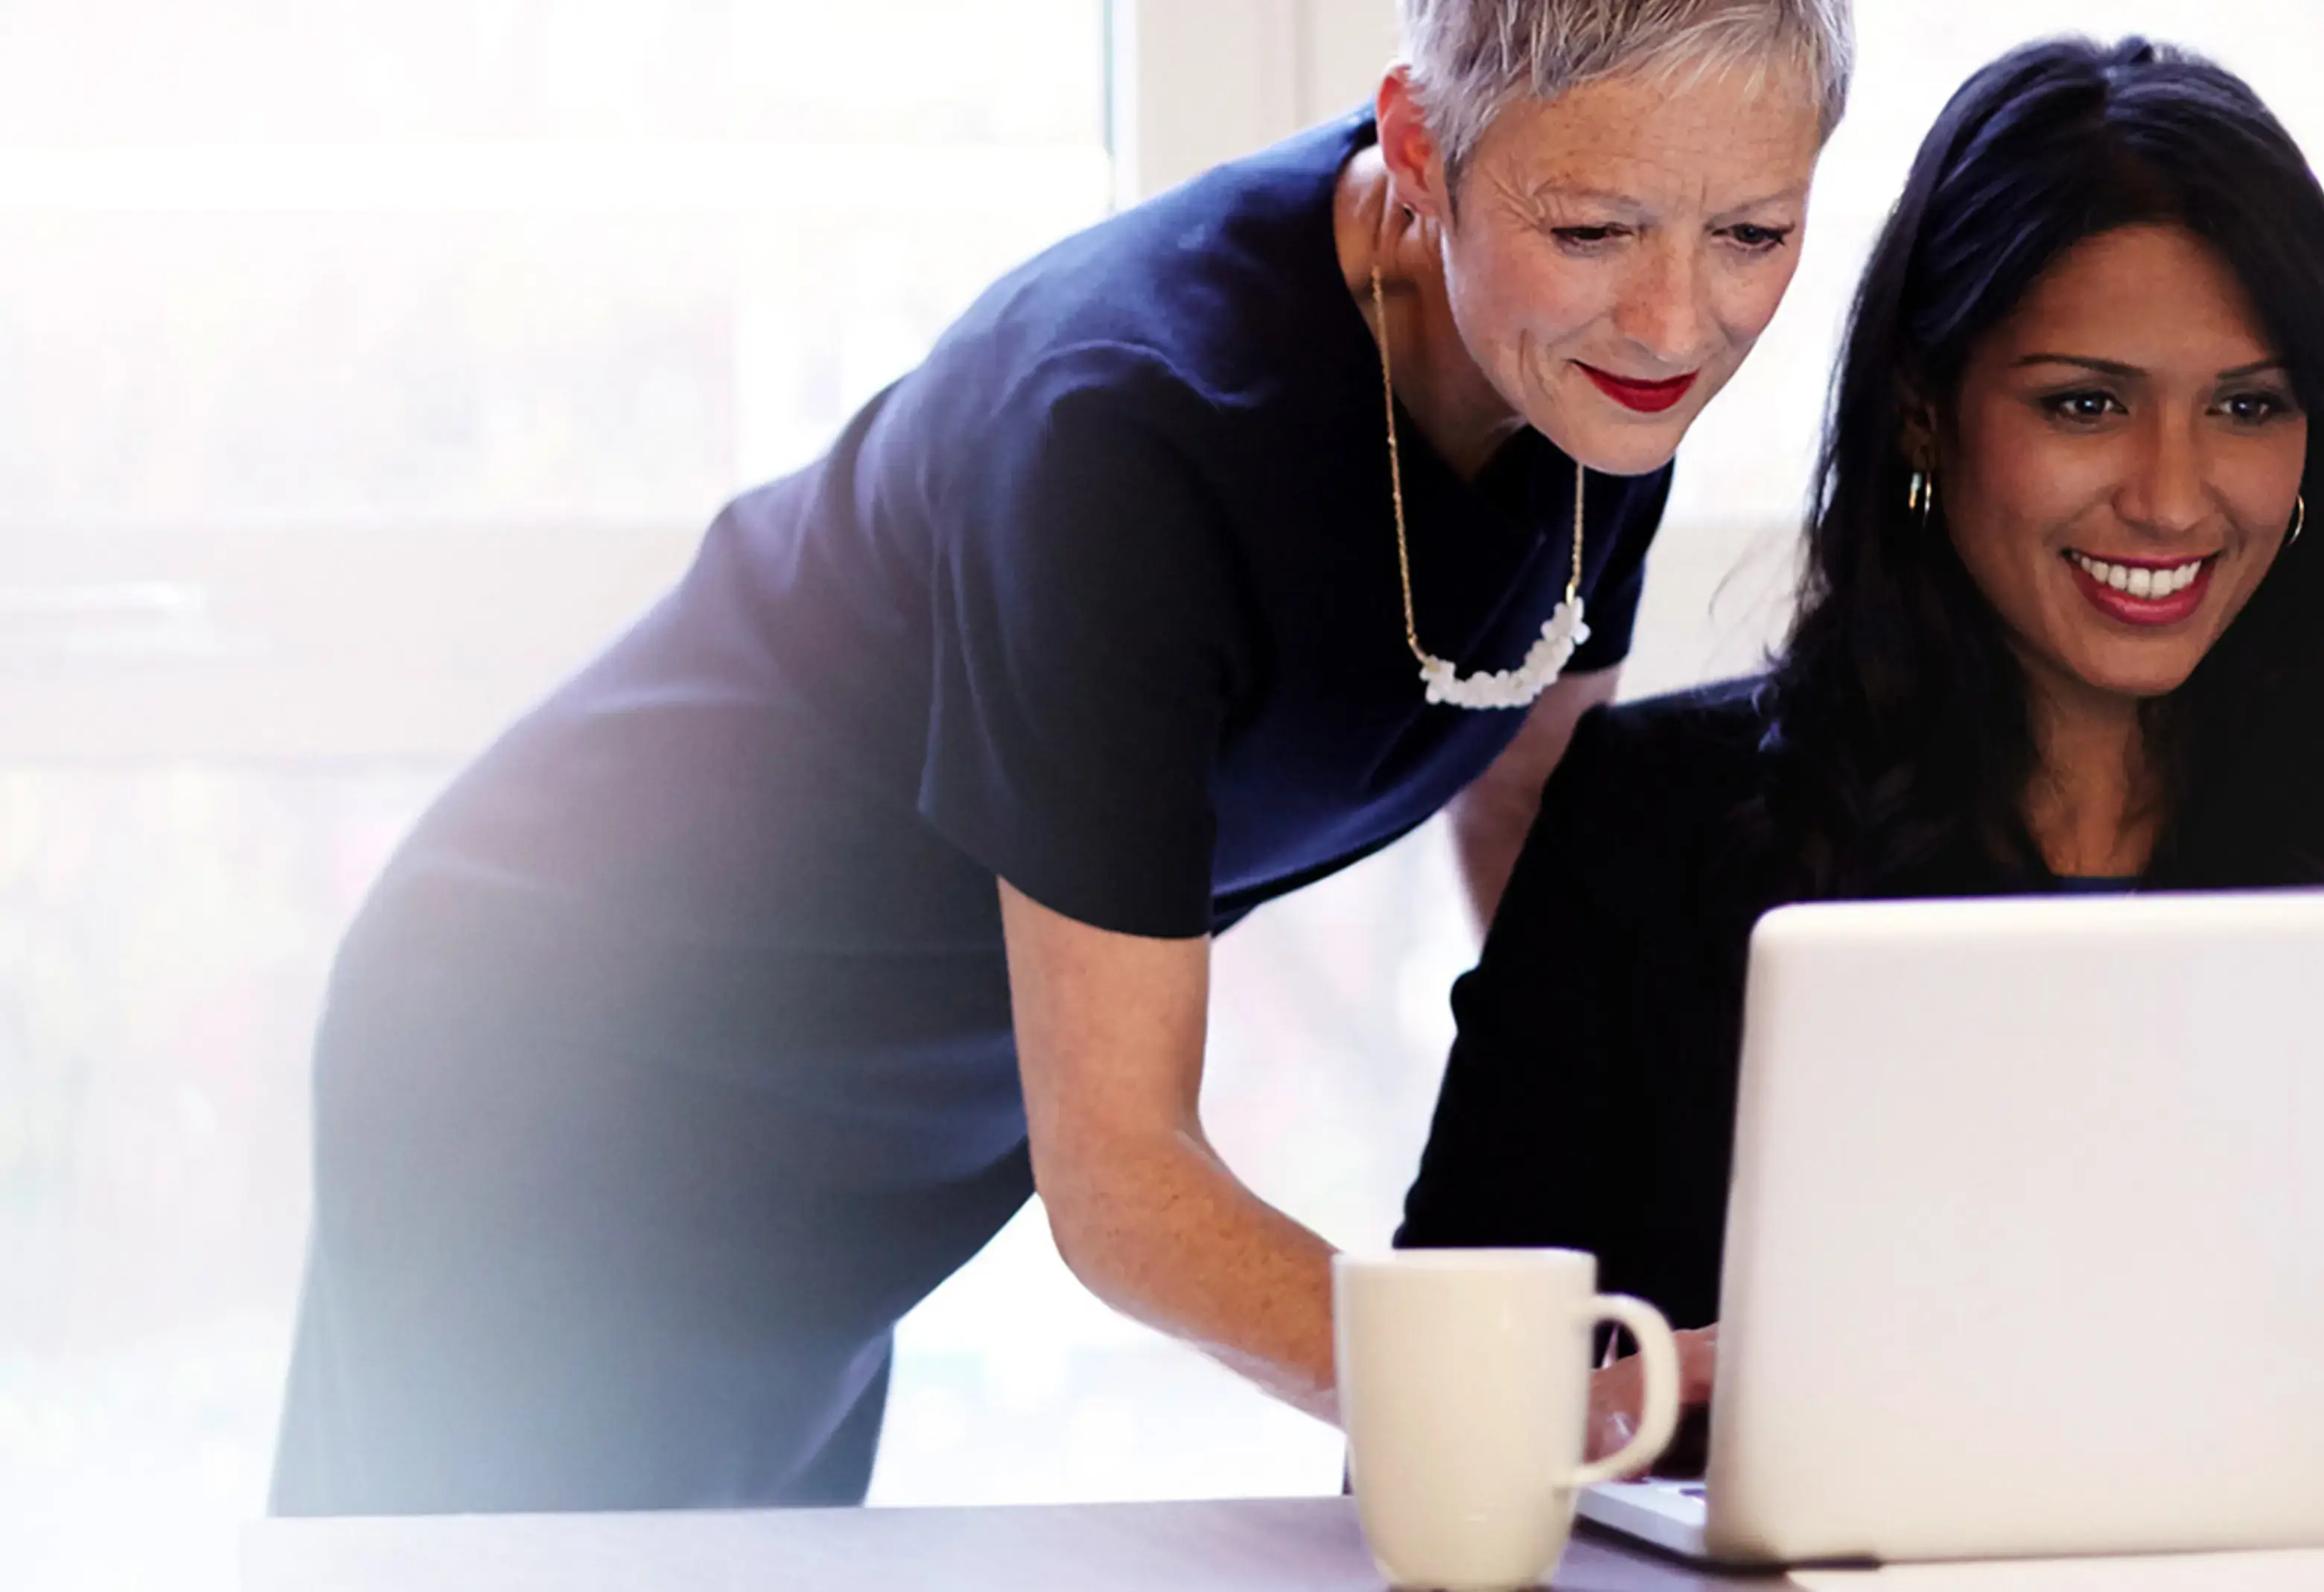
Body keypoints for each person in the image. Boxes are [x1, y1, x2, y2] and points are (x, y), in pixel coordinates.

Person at [271, 0, 1856, 1515]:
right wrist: (1528, 1395)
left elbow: (1537, 831)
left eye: (1753, 233)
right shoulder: (1127, 434)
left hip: (874, 1157)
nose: (1676, 316)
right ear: (1420, 148)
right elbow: (1125, 1186)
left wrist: (1711, 1214)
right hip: (570, 1061)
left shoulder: (1595, 362)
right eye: (1593, 229)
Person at [1393, 35, 2324, 1461]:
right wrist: (1639, 1398)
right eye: (2086, 403)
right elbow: (1424, 1427)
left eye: (2249, 407)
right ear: (1929, 411)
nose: (2173, 495)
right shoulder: (1659, 826)